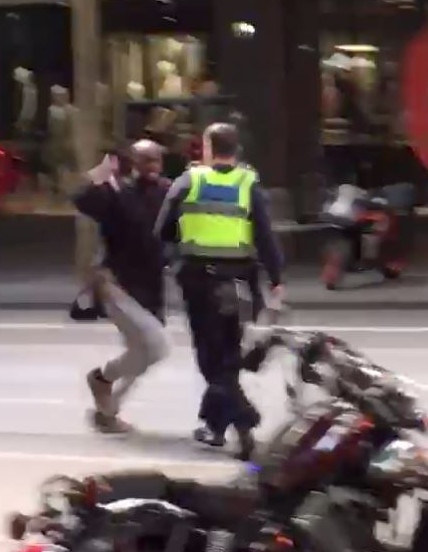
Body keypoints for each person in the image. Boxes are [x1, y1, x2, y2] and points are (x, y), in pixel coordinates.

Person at [154, 123, 284, 460]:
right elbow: (266, 235)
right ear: (236, 149)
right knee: (228, 353)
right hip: (241, 282)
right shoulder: (248, 183)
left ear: (208, 147)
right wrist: (276, 276)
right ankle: (214, 426)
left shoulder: (189, 181)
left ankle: (242, 420)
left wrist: (171, 259)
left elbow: (162, 230)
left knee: (211, 357)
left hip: (200, 281)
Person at [73, 140, 170, 433]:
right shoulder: (118, 194)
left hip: (151, 286)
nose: (151, 165)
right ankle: (102, 381)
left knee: (143, 352)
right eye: (145, 159)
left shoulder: (168, 192)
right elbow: (83, 200)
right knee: (157, 346)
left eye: (156, 158)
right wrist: (98, 177)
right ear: (133, 164)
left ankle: (107, 410)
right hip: (118, 284)